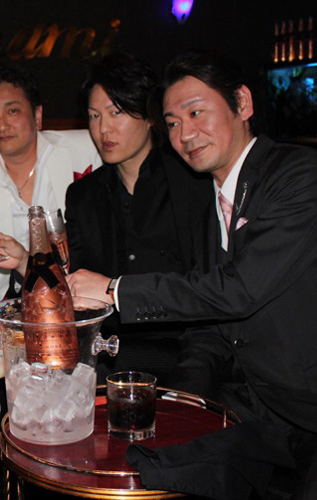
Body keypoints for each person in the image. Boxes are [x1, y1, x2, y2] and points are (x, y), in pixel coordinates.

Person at [69, 50, 317, 498]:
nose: (185, 134)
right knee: (144, 460)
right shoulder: (209, 201)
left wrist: (115, 290)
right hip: (266, 402)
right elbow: (212, 326)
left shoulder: (298, 174)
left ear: (242, 104)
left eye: (196, 113)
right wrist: (177, 400)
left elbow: (238, 290)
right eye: (173, 123)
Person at [64, 52, 210, 382]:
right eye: (94, 116)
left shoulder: (191, 183)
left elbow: (206, 287)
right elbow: (79, 285)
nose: (103, 129)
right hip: (108, 356)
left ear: (149, 117)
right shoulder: (82, 195)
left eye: (116, 112)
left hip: (184, 354)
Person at [0, 63, 101, 301]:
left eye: (12, 111)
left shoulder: (85, 149)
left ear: (37, 115)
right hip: (5, 303)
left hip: (78, 295)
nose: (1, 125)